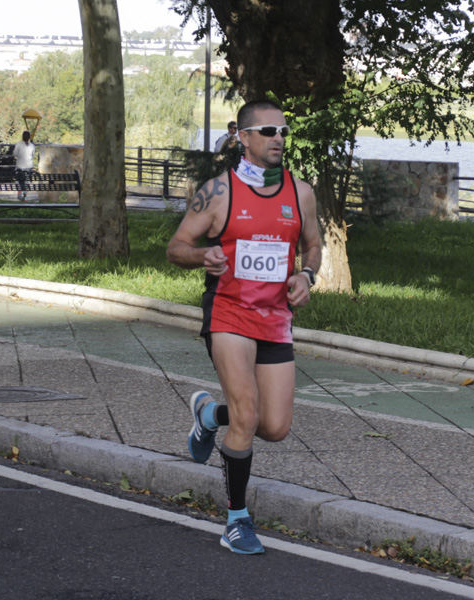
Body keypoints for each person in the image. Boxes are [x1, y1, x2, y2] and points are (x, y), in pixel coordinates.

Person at [167, 100, 321, 555]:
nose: (278, 139)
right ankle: (236, 519)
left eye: (283, 132)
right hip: (230, 313)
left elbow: (313, 245)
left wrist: (306, 275)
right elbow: (177, 246)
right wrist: (202, 256)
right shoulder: (217, 193)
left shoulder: (301, 192)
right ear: (243, 137)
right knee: (248, 412)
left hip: (275, 317)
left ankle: (209, 416)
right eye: (268, 131)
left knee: (273, 427)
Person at [12, 130, 36, 201]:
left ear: (22, 137)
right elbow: (33, 155)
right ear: (29, 137)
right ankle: (25, 196)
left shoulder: (18, 144)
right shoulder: (32, 146)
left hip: (20, 166)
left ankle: (19, 193)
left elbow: (15, 154)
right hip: (29, 166)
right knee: (26, 182)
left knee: (19, 180)